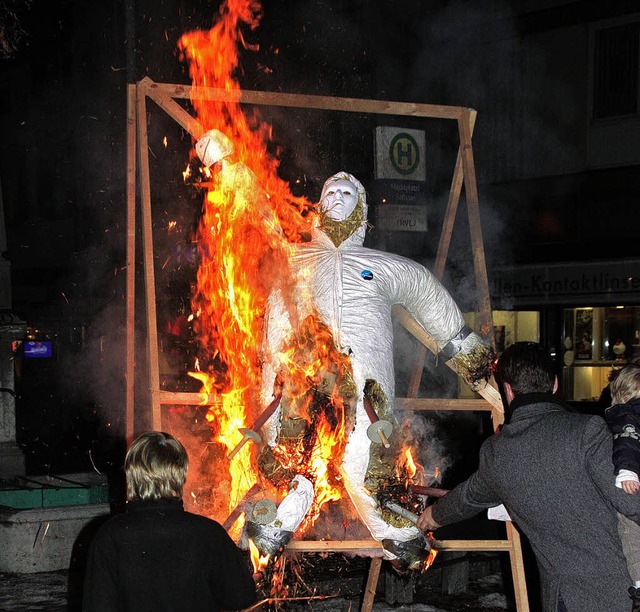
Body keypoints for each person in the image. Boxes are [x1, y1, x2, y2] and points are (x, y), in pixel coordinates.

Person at [416, 341, 640, 611]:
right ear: (555, 384)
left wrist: (432, 516)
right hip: (621, 594)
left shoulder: (497, 454)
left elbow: (467, 498)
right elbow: (632, 503)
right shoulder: (588, 431)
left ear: (507, 390)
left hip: (562, 600)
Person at [82, 431, 256, 612]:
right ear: (181, 475)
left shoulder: (110, 536)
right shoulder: (209, 533)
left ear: (131, 476)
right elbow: (241, 598)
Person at [607, 363, 640, 609]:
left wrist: (626, 472)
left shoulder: (626, 414)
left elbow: (626, 441)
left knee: (629, 529)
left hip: (631, 483)